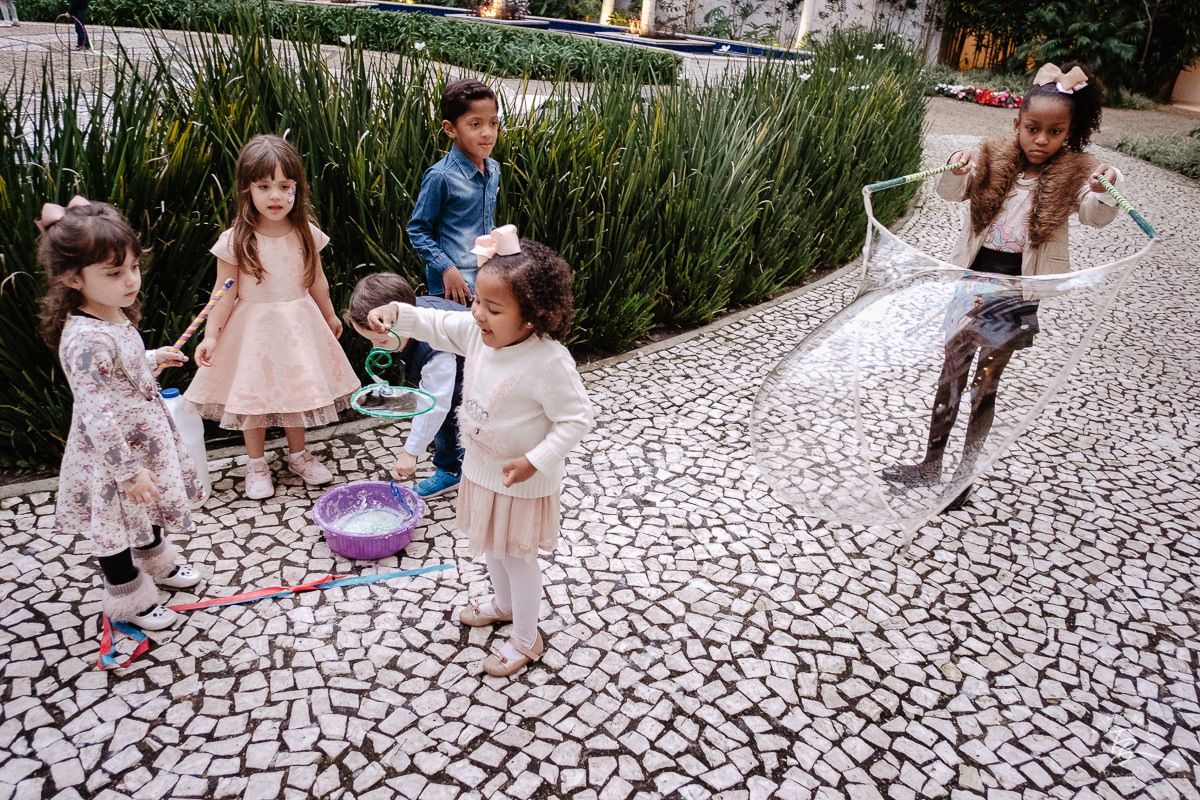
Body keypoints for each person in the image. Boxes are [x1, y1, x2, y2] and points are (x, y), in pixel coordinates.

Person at [882, 62, 1124, 509]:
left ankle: (962, 477)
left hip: (1015, 290)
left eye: (1055, 132)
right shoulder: (993, 158)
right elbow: (951, 193)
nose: (1041, 140)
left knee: (985, 383)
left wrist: (1106, 187)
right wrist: (956, 170)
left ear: (1069, 132)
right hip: (973, 279)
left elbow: (1095, 215)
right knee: (950, 373)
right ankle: (930, 464)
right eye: (1033, 128)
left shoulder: (1074, 176)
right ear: (1017, 124)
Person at [368, 225, 593, 677]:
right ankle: (504, 604)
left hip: (524, 481)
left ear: (530, 317)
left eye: (492, 309)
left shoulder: (548, 362)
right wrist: (397, 311)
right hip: (482, 469)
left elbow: (577, 419)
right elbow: (435, 322)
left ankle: (528, 638)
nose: (478, 315)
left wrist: (537, 460)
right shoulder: (476, 335)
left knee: (518, 556)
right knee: (493, 546)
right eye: (476, 303)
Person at [39, 197, 203, 631]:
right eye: (114, 273)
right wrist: (127, 472)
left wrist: (151, 358)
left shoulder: (112, 316)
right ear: (73, 278)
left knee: (144, 513)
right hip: (112, 457)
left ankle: (157, 563)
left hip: (139, 440)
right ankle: (129, 598)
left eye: (134, 266)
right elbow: (96, 411)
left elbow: (119, 372)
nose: (131, 280)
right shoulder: (84, 340)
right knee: (113, 527)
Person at [185, 135, 359, 499]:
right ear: (247, 189)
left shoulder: (305, 233)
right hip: (254, 332)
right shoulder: (236, 240)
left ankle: (299, 455)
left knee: (298, 392)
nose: (275, 196)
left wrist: (329, 315)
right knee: (255, 398)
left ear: (298, 187)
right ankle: (256, 463)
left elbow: (317, 279)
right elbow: (223, 291)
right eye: (264, 186)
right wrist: (212, 335)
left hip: (299, 326)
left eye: (285, 186)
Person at [344, 273, 468, 498]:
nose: (375, 347)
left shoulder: (435, 350)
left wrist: (410, 453)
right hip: (467, 363)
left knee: (447, 410)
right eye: (370, 340)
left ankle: (451, 469)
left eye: (381, 341)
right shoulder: (406, 313)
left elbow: (434, 404)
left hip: (485, 371)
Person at [408, 79, 500, 307]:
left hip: (486, 281)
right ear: (450, 129)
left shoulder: (494, 169)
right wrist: (447, 269)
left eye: (494, 123)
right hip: (453, 287)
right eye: (475, 125)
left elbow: (484, 223)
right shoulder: (441, 177)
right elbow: (417, 230)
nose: (487, 133)